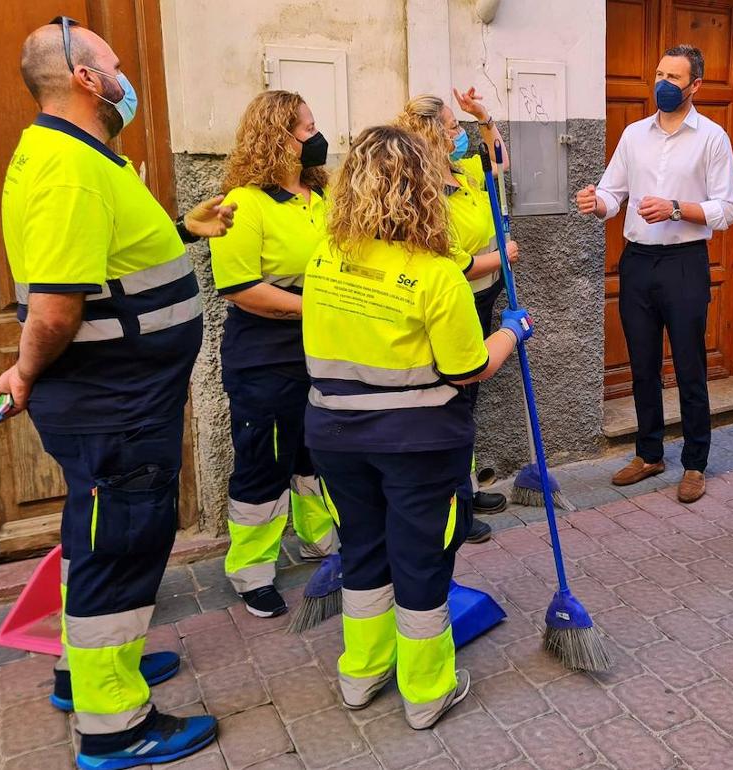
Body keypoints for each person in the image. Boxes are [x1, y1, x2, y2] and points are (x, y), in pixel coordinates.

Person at [0, 17, 235, 769]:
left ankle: (88, 670)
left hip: (119, 398)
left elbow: (109, 259)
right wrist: (24, 372)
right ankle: (115, 725)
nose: (126, 78)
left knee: (98, 535)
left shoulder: (81, 154)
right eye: (115, 66)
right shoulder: (69, 168)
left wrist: (181, 231)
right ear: (87, 79)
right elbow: (57, 309)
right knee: (119, 543)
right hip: (112, 402)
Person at [302, 125, 533, 729]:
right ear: (423, 189)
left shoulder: (324, 258)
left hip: (334, 435)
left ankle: (362, 672)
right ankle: (427, 690)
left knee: (362, 548)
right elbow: (468, 369)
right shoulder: (436, 274)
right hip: (417, 445)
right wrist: (512, 331)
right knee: (421, 560)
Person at [575, 43, 733, 503]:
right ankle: (648, 453)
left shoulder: (712, 138)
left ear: (695, 85)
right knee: (642, 364)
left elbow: (727, 209)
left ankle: (695, 463)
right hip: (638, 262)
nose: (663, 84)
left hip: (685, 262)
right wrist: (595, 202)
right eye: (660, 74)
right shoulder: (634, 135)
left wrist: (676, 208)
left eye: (674, 78)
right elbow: (613, 194)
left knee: (689, 367)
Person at [208, 91, 339, 617]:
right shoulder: (243, 202)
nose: (316, 136)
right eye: (306, 129)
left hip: (321, 348)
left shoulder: (320, 196)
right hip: (265, 354)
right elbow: (240, 288)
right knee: (265, 460)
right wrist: (317, 306)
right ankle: (252, 571)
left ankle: (320, 540)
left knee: (315, 451)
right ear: (277, 137)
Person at [394, 89, 517, 535]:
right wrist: (503, 256)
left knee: (467, 399)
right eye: (452, 126)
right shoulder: (425, 191)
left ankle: (465, 486)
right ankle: (454, 505)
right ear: (432, 135)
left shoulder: (462, 171)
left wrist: (484, 116)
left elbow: (500, 162)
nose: (459, 132)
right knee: (453, 398)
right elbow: (456, 265)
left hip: (483, 297)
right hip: (454, 300)